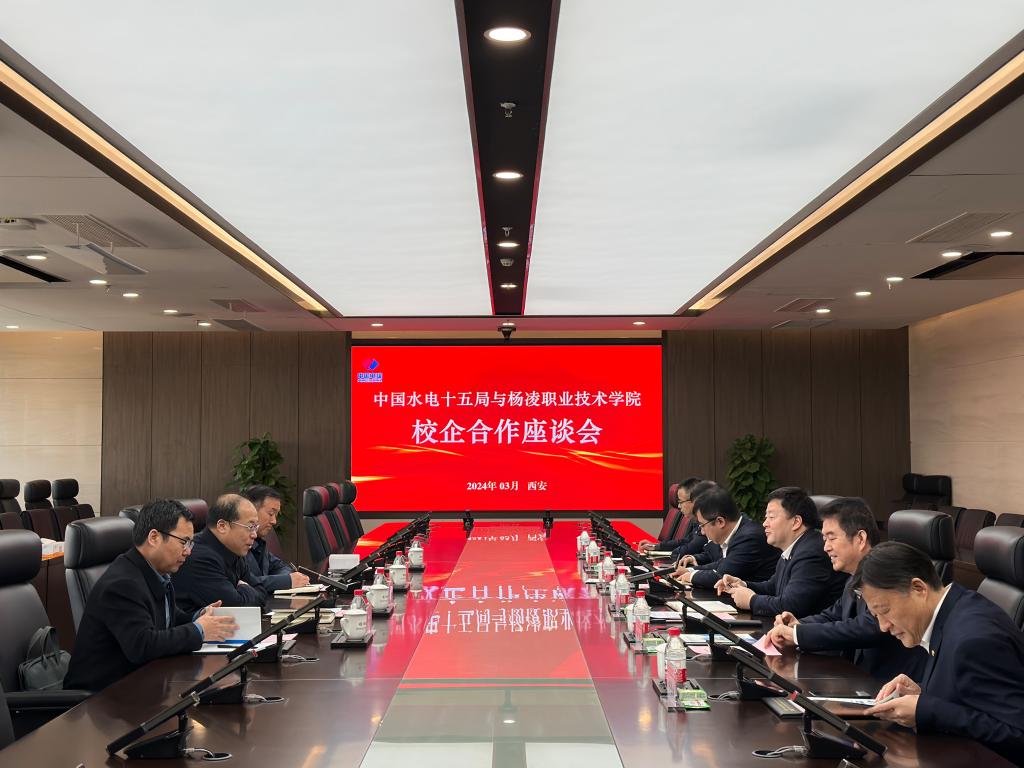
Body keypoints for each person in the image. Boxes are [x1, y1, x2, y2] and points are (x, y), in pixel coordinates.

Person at [855, 542, 1024, 764]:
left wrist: (927, 709)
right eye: (876, 616)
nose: (883, 626)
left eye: (884, 611)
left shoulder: (972, 641)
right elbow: (972, 695)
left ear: (918, 588)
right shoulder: (955, 609)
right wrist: (923, 692)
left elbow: (1017, 734)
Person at [64, 499, 237, 692]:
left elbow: (169, 618)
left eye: (191, 543)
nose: (188, 551)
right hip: (101, 697)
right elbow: (143, 645)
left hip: (141, 684)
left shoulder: (156, 572)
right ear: (154, 537)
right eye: (183, 542)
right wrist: (199, 630)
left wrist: (198, 617)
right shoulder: (122, 584)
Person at [767, 498, 926, 681]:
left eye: (832, 538)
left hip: (891, 683)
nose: (826, 547)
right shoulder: (853, 575)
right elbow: (835, 614)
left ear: (860, 539)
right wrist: (798, 625)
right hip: (857, 678)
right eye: (824, 539)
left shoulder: (888, 572)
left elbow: (870, 626)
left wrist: (797, 635)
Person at [714, 487, 846, 617]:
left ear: (796, 522)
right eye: (766, 517)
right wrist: (742, 584)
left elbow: (791, 606)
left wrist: (751, 600)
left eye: (771, 517)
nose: (765, 524)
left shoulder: (812, 552)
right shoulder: (795, 547)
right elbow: (773, 586)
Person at [172, 493, 270, 613]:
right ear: (222, 526)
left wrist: (243, 592)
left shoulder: (234, 550)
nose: (254, 535)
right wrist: (246, 588)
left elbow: (261, 591)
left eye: (255, 527)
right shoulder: (199, 558)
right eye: (249, 527)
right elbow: (236, 608)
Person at [671, 487, 779, 589]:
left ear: (720, 522)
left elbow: (721, 576)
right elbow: (722, 563)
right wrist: (689, 570)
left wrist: (690, 576)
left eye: (702, 525)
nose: (702, 531)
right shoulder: (738, 530)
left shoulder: (749, 537)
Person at [241, 485, 309, 592]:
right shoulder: (234, 544)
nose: (274, 521)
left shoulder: (259, 541)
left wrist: (289, 578)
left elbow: (282, 567)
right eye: (271, 514)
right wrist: (287, 581)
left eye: (276, 515)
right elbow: (247, 583)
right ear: (251, 510)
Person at [639, 477, 709, 557]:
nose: (678, 506)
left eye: (681, 502)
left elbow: (689, 549)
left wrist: (663, 553)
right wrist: (656, 546)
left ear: (695, 501)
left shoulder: (708, 522)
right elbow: (685, 541)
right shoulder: (698, 522)